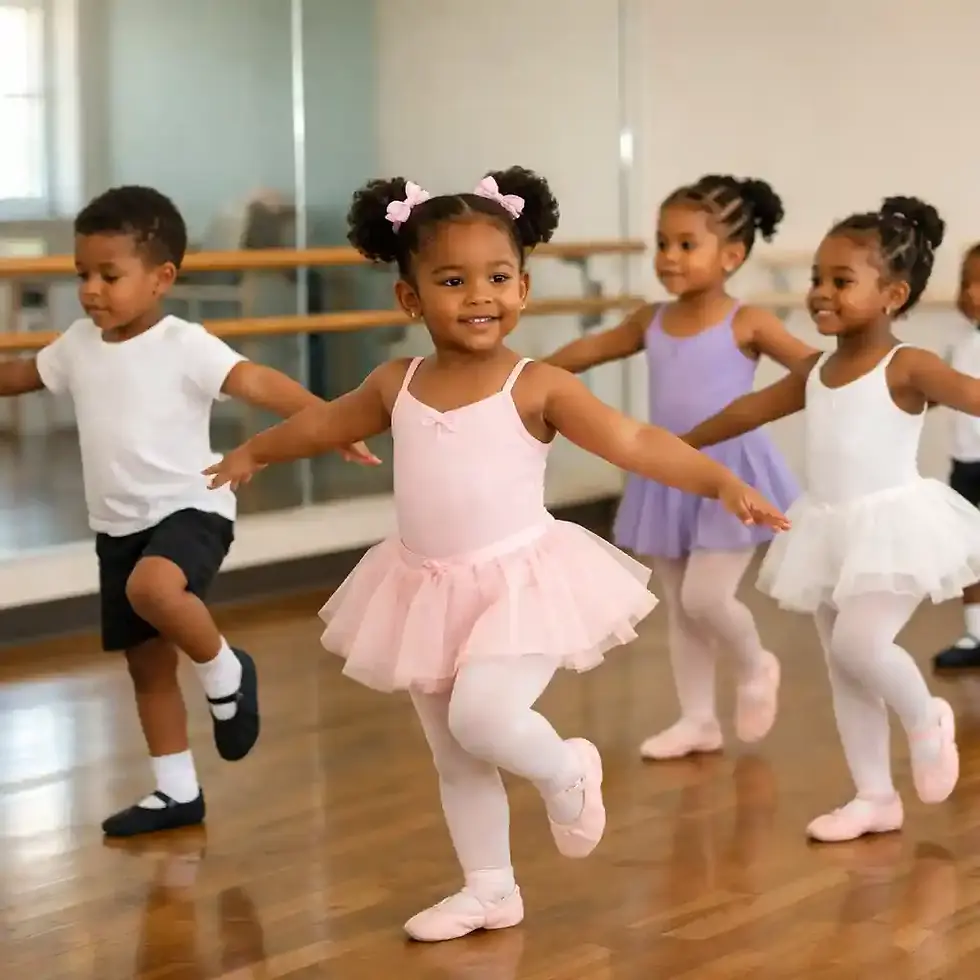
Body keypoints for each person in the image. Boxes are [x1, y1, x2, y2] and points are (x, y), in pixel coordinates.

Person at [204, 166, 790, 942]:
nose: (480, 295)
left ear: (523, 285)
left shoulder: (536, 385)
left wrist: (718, 479)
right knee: (454, 753)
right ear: (410, 298)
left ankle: (567, 767)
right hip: (424, 586)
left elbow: (635, 439)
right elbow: (324, 425)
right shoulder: (396, 382)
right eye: (453, 280)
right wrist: (255, 452)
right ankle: (489, 889)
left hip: (521, 584)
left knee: (484, 717)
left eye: (498, 276)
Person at [0, 185, 378, 838]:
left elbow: (258, 381)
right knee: (146, 666)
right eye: (82, 274)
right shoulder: (77, 346)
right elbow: (21, 374)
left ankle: (228, 670)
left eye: (109, 275)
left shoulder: (185, 344)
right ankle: (176, 791)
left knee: (154, 589)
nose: (92, 289)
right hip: (116, 525)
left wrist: (327, 420)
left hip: (191, 505)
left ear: (162, 278)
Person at [684, 196, 977, 843]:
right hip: (827, 531)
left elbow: (975, 396)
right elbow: (746, 411)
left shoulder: (909, 366)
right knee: (844, 670)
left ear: (893, 295)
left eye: (840, 281)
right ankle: (874, 796)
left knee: (860, 645)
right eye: (818, 278)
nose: (820, 293)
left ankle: (926, 715)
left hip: (895, 529)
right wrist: (673, 446)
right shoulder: (815, 370)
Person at [545, 175, 810, 760]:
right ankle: (698, 720)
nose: (668, 256)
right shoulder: (650, 320)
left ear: (732, 256)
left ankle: (755, 663)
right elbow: (584, 353)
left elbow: (813, 369)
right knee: (680, 605)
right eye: (662, 243)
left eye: (686, 244)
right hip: (666, 471)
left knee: (706, 599)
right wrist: (519, 375)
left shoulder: (748, 322)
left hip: (732, 474)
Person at [933, 243, 980, 669]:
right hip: (966, 462)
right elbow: (939, 390)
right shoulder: (959, 342)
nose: (976, 292)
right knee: (970, 550)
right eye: (971, 282)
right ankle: (975, 632)